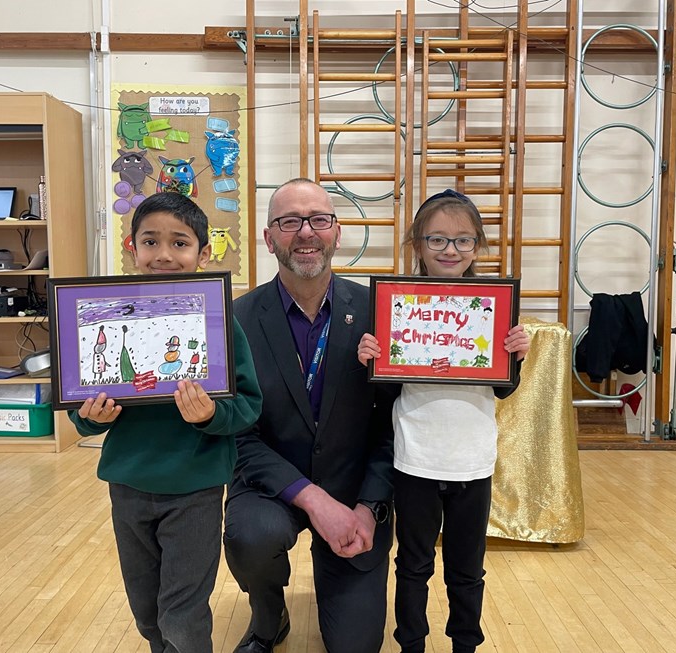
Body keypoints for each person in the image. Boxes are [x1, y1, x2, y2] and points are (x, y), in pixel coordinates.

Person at [69, 192, 263, 653]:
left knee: (182, 612)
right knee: (146, 609)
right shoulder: (104, 315)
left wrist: (212, 415)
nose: (164, 255)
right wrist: (91, 418)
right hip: (128, 483)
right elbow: (81, 412)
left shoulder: (220, 320)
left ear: (203, 252)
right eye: (151, 241)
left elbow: (249, 405)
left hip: (194, 487)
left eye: (180, 243)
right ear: (131, 247)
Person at [224, 178, 396, 653]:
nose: (305, 232)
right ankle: (268, 613)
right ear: (268, 237)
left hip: (355, 490)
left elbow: (392, 427)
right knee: (251, 537)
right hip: (271, 486)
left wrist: (369, 505)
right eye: (288, 221)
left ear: (337, 233)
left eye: (319, 219)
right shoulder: (235, 319)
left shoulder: (378, 311)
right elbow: (239, 435)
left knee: (356, 646)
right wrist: (315, 501)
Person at [358, 189, 531, 653]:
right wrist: (372, 362)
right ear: (417, 244)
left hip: (473, 461)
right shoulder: (398, 304)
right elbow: (388, 391)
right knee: (412, 564)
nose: (450, 251)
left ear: (478, 245)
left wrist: (516, 357)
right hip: (415, 457)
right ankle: (411, 642)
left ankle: (465, 645)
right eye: (436, 240)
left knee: (467, 568)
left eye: (462, 240)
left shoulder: (493, 307)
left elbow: (503, 387)